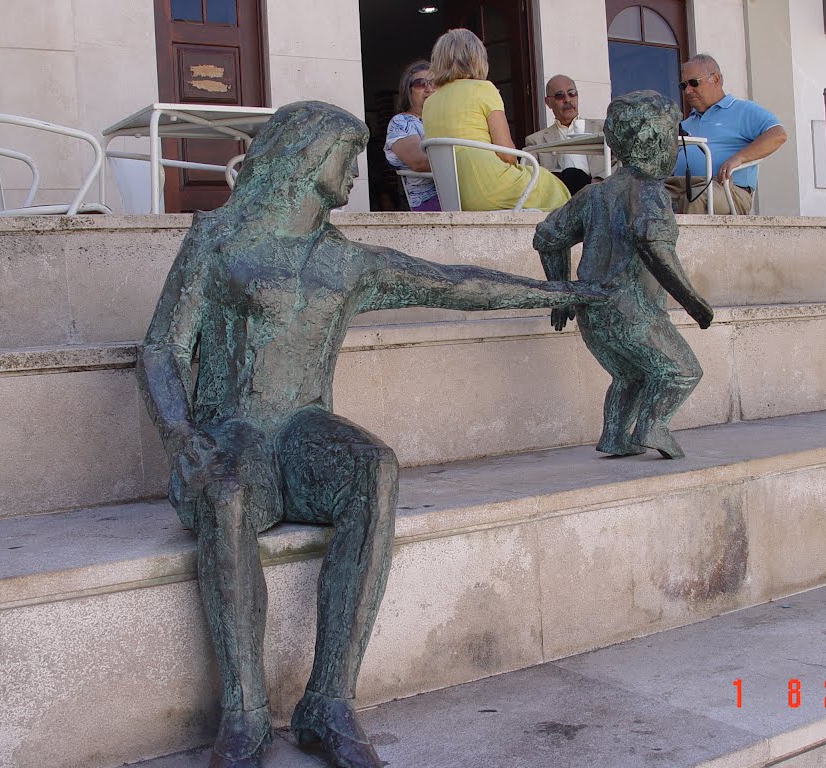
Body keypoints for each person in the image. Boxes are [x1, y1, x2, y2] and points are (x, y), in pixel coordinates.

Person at [137, 100, 607, 768]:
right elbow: (160, 350)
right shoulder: (219, 240)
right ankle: (242, 714)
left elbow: (453, 284)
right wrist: (180, 433)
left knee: (373, 467)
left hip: (301, 433)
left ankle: (327, 702)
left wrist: (569, 295)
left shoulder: (346, 262)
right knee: (231, 493)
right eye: (345, 155)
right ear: (306, 156)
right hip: (229, 432)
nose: (356, 171)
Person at [534, 90, 714, 459]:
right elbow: (652, 241)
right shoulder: (649, 191)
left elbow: (547, 236)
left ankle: (616, 436)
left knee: (631, 375)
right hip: (632, 310)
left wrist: (561, 291)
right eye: (673, 137)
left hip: (593, 312)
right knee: (682, 372)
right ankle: (653, 425)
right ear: (656, 141)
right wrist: (695, 303)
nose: (675, 148)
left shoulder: (594, 193)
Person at [422, 28, 570, 211]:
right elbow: (507, 154)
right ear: (477, 58)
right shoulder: (483, 89)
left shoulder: (429, 103)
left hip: (455, 197)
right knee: (552, 186)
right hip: (492, 188)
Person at [667, 53, 788, 215]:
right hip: (681, 185)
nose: (688, 91)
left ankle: (690, 242)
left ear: (715, 79)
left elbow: (778, 135)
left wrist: (738, 158)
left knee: (695, 198)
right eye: (683, 86)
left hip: (726, 189)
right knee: (644, 198)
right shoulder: (684, 124)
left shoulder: (742, 110)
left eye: (694, 83)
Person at [525, 74, 612, 195]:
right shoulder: (536, 140)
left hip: (601, 191)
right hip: (562, 196)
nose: (567, 99)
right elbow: (530, 177)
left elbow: (622, 162)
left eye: (572, 93)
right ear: (548, 102)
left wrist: (599, 180)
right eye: (559, 95)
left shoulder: (602, 128)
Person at [384, 60, 440, 211]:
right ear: (408, 90)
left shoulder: (444, 120)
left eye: (434, 82)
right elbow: (419, 162)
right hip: (431, 200)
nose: (429, 89)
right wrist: (466, 165)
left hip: (459, 193)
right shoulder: (401, 122)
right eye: (421, 83)